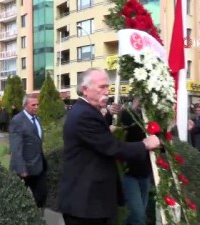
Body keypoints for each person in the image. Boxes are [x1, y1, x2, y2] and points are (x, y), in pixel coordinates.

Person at [58, 68, 160, 225]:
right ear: (85, 90)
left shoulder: (88, 111)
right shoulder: (84, 114)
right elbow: (112, 147)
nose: (107, 91)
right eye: (102, 87)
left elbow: (98, 140)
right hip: (86, 205)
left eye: (108, 87)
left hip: (92, 201)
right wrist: (144, 144)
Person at [9, 94, 47, 208]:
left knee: (41, 196)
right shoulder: (18, 121)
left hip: (38, 167)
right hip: (24, 168)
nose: (36, 107)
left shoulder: (37, 119)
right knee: (17, 200)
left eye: (37, 104)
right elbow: (16, 147)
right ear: (25, 105)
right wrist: (21, 169)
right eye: (33, 105)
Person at [120, 96, 152, 225]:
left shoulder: (151, 117)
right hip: (129, 171)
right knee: (137, 215)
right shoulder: (127, 114)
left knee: (139, 214)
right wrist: (134, 108)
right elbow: (123, 125)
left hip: (145, 172)